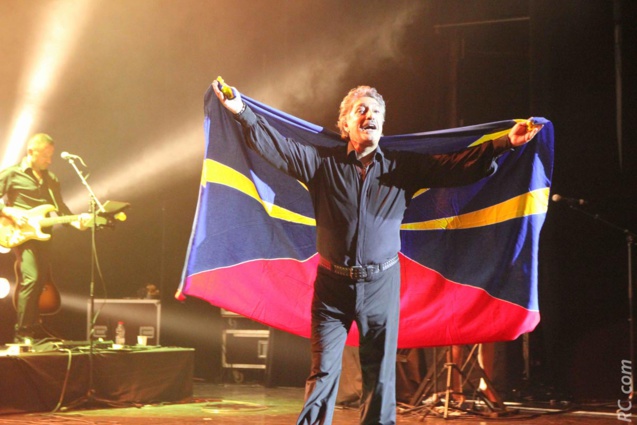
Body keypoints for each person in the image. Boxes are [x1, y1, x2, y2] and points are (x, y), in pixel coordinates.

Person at [212, 81, 542, 425]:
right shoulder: (321, 164)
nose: (370, 115)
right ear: (345, 125)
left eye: (376, 112)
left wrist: (507, 142)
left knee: (380, 379)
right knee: (323, 373)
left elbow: (454, 164)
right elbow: (278, 147)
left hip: (381, 286)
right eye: (361, 110)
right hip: (332, 289)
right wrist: (241, 110)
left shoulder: (403, 166)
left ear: (383, 125)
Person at [0, 133, 89, 344]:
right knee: (31, 278)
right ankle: (22, 332)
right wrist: (10, 213)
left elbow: (61, 208)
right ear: (31, 152)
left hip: (44, 235)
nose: (49, 160)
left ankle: (33, 326)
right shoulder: (12, 174)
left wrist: (77, 222)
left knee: (40, 281)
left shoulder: (51, 179)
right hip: (21, 233)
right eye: (45, 156)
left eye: (51, 156)